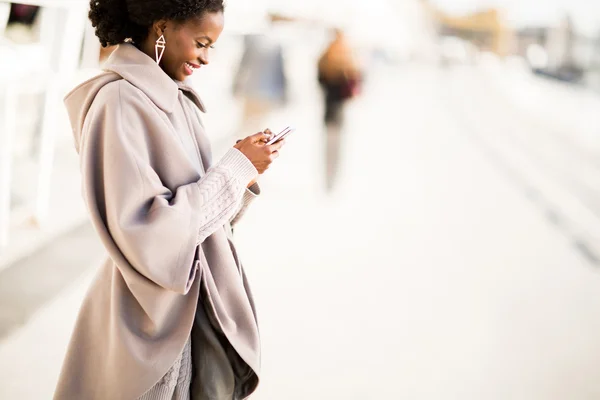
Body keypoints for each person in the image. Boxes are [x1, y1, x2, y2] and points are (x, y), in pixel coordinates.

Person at [53, 0, 285, 399]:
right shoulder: (120, 102)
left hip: (192, 305)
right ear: (161, 28)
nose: (207, 58)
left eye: (212, 46)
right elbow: (149, 234)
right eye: (201, 43)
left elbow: (201, 220)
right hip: (153, 316)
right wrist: (235, 168)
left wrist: (243, 173)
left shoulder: (175, 98)